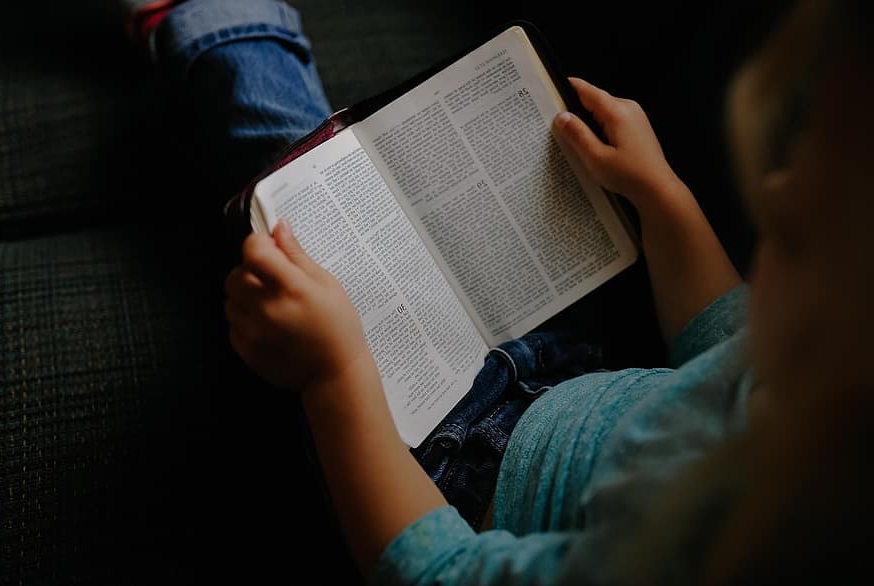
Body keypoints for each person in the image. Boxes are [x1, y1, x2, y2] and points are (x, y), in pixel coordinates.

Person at [128, 0, 873, 582]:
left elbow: (441, 570)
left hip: (450, 469)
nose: (765, 211)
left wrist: (336, 375)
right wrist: (662, 198)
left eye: (787, 231)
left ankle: (214, 25)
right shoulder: (812, 377)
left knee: (287, 182)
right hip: (574, 369)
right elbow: (720, 336)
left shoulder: (704, 553)